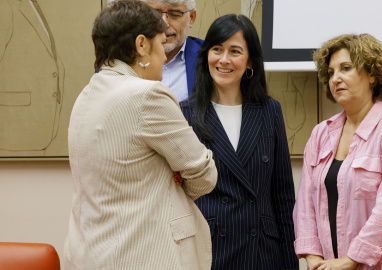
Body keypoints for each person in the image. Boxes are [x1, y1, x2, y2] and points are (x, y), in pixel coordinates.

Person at [63, 1, 217, 269]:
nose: (164, 58)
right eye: (160, 44)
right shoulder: (148, 94)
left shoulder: (85, 96)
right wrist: (174, 176)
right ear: (141, 45)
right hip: (143, 254)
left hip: (89, 254)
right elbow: (205, 176)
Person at [293, 33, 382, 270]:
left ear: (372, 75)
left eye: (346, 68)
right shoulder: (320, 134)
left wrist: (352, 259)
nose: (336, 78)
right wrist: (312, 257)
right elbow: (305, 205)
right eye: (331, 72)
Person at [180, 14, 299, 270]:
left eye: (235, 51)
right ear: (206, 56)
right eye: (217, 49)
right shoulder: (184, 114)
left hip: (263, 253)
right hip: (210, 251)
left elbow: (283, 196)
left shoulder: (270, 111)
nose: (224, 60)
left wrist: (291, 263)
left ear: (250, 62)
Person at [145, 0, 202, 101]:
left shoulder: (208, 57)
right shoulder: (127, 57)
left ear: (191, 18)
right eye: (155, 14)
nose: (164, 24)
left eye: (175, 14)